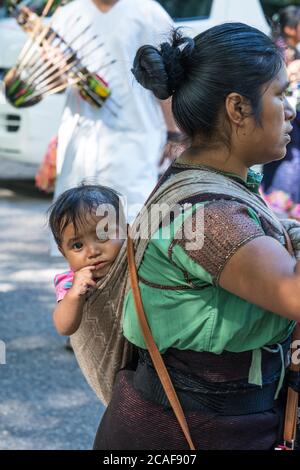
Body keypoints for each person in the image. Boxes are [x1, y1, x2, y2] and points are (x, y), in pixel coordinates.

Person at [85, 23, 300, 450]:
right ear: (238, 108)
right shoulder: (210, 214)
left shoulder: (211, 183)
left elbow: (279, 234)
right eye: (280, 94)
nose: (291, 109)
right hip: (189, 433)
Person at [52, 0, 181, 227]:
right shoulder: (67, 15)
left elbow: (167, 79)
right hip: (80, 141)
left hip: (135, 140)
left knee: (130, 224)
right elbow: (56, 83)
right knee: (78, 225)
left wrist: (174, 133)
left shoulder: (148, 13)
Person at [48, 184, 125, 336]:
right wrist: (74, 295)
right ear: (64, 253)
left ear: (126, 230)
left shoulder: (133, 258)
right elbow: (64, 327)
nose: (93, 252)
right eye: (78, 245)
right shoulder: (71, 281)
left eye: (103, 236)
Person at [263, 5, 300, 200]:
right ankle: (281, 202)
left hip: (287, 114)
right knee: (287, 159)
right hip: (285, 116)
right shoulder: (280, 52)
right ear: (290, 29)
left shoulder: (290, 49)